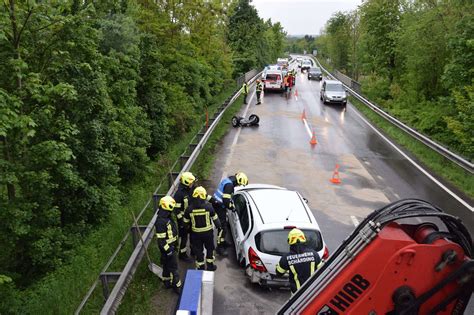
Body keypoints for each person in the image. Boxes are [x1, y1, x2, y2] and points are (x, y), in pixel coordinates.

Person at [183, 186, 222, 271]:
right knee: (210, 249)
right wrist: (219, 228)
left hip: (195, 234)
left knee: (199, 251)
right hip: (208, 233)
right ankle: (210, 266)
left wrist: (188, 230)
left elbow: (185, 224)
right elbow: (216, 220)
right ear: (204, 196)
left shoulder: (189, 209)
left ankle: (201, 267)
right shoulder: (209, 207)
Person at [276, 228, 322, 294]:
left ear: (289, 241)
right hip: (313, 291)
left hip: (297, 294)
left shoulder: (286, 258)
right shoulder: (314, 254)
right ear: (304, 239)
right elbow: (321, 270)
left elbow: (279, 272)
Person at [212, 172, 248, 255]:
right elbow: (226, 201)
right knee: (222, 227)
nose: (238, 186)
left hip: (217, 203)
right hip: (219, 206)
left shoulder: (228, 180)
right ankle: (219, 247)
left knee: (223, 226)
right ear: (238, 181)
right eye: (239, 184)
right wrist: (232, 207)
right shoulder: (230, 186)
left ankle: (222, 241)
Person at [154, 196, 182, 293]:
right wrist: (169, 250)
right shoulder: (161, 222)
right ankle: (177, 286)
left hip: (170, 248)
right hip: (168, 249)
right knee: (174, 268)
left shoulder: (166, 217)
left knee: (166, 266)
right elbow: (161, 241)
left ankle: (167, 282)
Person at [173, 172, 196, 261]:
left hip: (191, 217)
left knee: (193, 235)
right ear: (186, 182)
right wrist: (181, 221)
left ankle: (193, 251)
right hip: (183, 219)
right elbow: (176, 210)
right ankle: (182, 254)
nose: (192, 184)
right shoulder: (179, 194)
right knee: (184, 237)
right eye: (191, 182)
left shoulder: (190, 189)